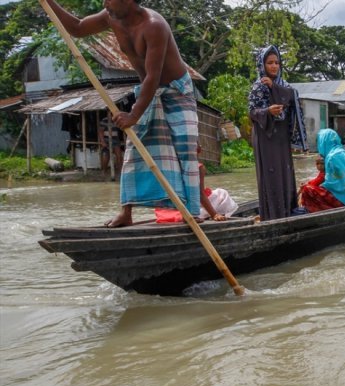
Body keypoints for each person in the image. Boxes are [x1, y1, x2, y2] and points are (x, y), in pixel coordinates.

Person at [46, 0, 201, 228]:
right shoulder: (111, 16)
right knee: (133, 147)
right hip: (149, 90)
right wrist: (49, 3)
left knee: (185, 150)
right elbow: (78, 28)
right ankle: (126, 212)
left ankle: (192, 213)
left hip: (177, 91)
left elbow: (153, 77)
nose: (104, 3)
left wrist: (133, 114)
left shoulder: (154, 25)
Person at [248, 45, 308, 221]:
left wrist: (274, 86)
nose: (274, 66)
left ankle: (287, 211)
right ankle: (273, 214)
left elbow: (291, 95)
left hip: (281, 136)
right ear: (262, 65)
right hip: (266, 135)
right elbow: (252, 112)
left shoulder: (283, 84)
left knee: (285, 173)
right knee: (271, 174)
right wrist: (267, 111)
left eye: (277, 63)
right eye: (269, 63)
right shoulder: (258, 86)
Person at [155, 145, 238, 223]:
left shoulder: (168, 166)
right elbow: (200, 195)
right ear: (198, 149)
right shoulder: (197, 167)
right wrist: (214, 214)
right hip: (187, 212)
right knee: (222, 193)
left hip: (164, 213)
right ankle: (216, 214)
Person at [298, 129, 345, 213]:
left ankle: (316, 212)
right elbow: (339, 179)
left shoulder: (331, 157)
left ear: (323, 142)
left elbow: (333, 185)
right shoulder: (342, 152)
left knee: (307, 190)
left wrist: (315, 187)